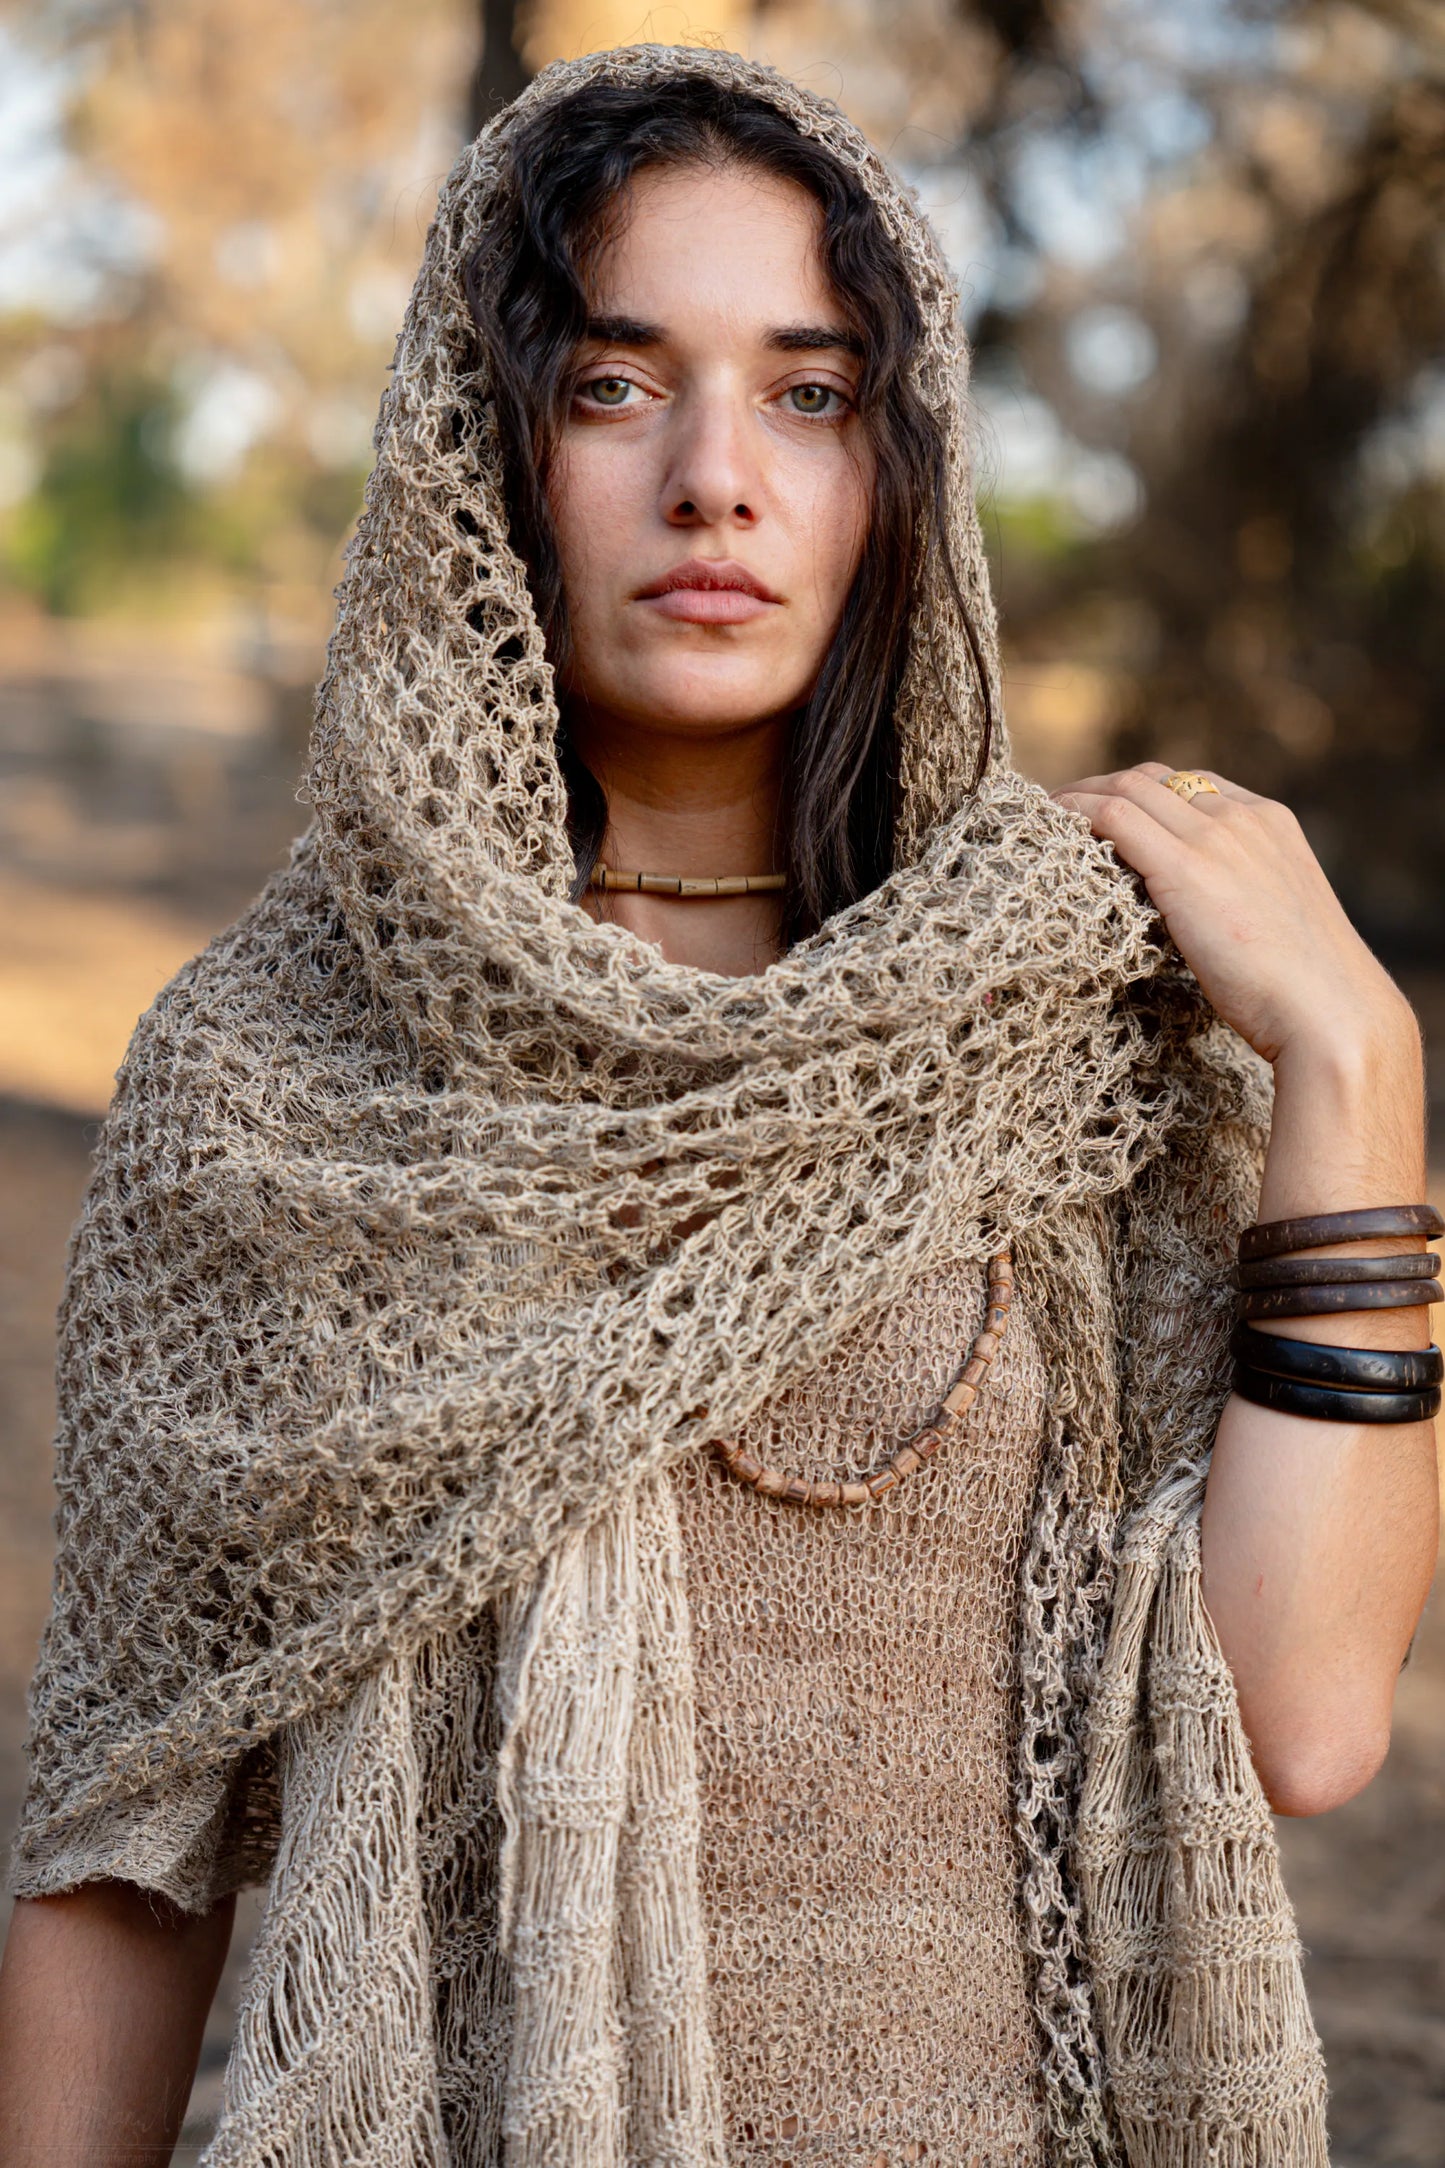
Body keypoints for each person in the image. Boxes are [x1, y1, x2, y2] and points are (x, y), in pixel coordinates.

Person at [0, 45, 1437, 2168]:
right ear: (482, 451)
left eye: (808, 391)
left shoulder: (1062, 1035)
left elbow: (1296, 1718)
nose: (714, 478)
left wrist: (1359, 1062)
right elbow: (126, 1836)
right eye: (613, 385)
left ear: (900, 469)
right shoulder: (277, 1085)